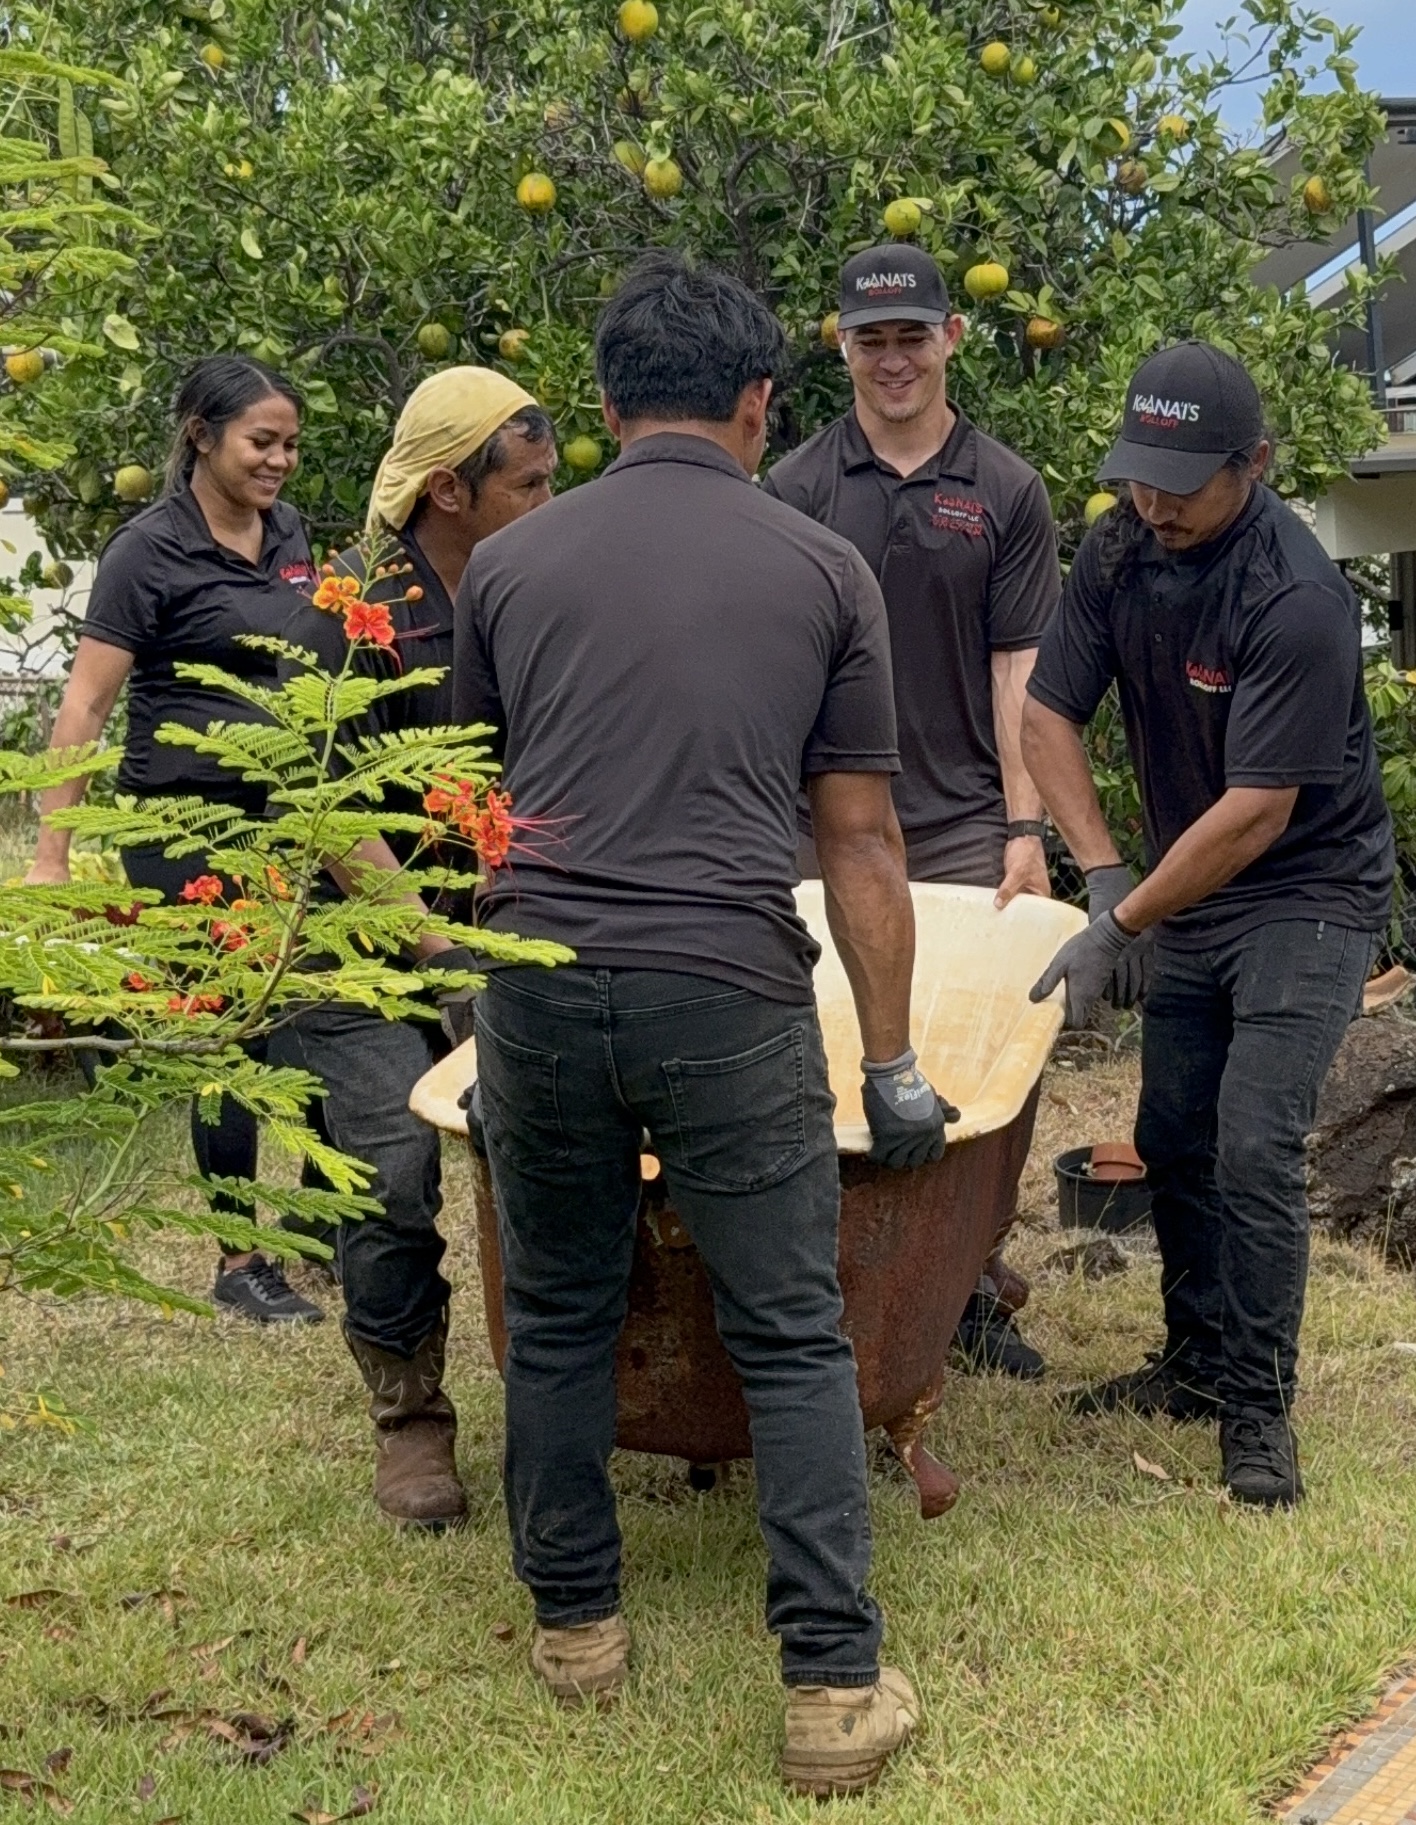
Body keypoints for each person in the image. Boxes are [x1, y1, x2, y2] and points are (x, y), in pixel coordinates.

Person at [452, 252, 950, 1797]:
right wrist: (889, 1059)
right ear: (759, 401)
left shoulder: (509, 572)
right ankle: (829, 1689)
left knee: (563, 1305)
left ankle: (577, 1629)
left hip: (537, 981)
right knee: (793, 1332)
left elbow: (480, 812)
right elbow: (860, 842)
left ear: (601, 408)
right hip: (727, 988)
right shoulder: (821, 570)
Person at [1021, 341, 1394, 1509]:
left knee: (1250, 1140)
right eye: (1139, 474)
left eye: (1181, 482)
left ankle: (1256, 1412)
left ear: (1257, 464)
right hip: (1189, 886)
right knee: (1171, 1132)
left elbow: (1256, 815)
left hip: (1306, 891)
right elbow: (1044, 714)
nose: (1153, 501)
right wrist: (1097, 877)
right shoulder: (1119, 547)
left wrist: (1122, 919)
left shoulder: (1294, 595)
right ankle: (1191, 1362)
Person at [764, 243, 1061, 1381]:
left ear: (953, 338)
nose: (892, 359)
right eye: (869, 339)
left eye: (912, 335)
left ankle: (968, 1281)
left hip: (957, 825)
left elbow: (1018, 669)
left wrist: (1024, 829)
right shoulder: (794, 487)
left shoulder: (1005, 488)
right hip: (815, 824)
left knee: (988, 1067)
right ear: (840, 347)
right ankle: (833, 1277)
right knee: (829, 1056)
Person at [278, 367, 556, 1532]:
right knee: (392, 1174)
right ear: (451, 487)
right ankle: (410, 1417)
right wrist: (441, 959)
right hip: (354, 945)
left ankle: (576, 1390)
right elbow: (332, 814)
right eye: (529, 482)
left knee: (557, 1149)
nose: (549, 502)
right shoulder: (340, 607)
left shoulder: (534, 586)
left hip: (502, 928)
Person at [25, 354, 325, 1325]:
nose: (279, 460)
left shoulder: (289, 535)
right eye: (261, 442)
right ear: (201, 436)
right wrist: (53, 847)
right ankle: (240, 1256)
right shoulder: (145, 550)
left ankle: (326, 1228)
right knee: (225, 1036)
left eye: (288, 443)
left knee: (311, 1016)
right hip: (179, 829)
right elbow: (85, 702)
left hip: (284, 821)